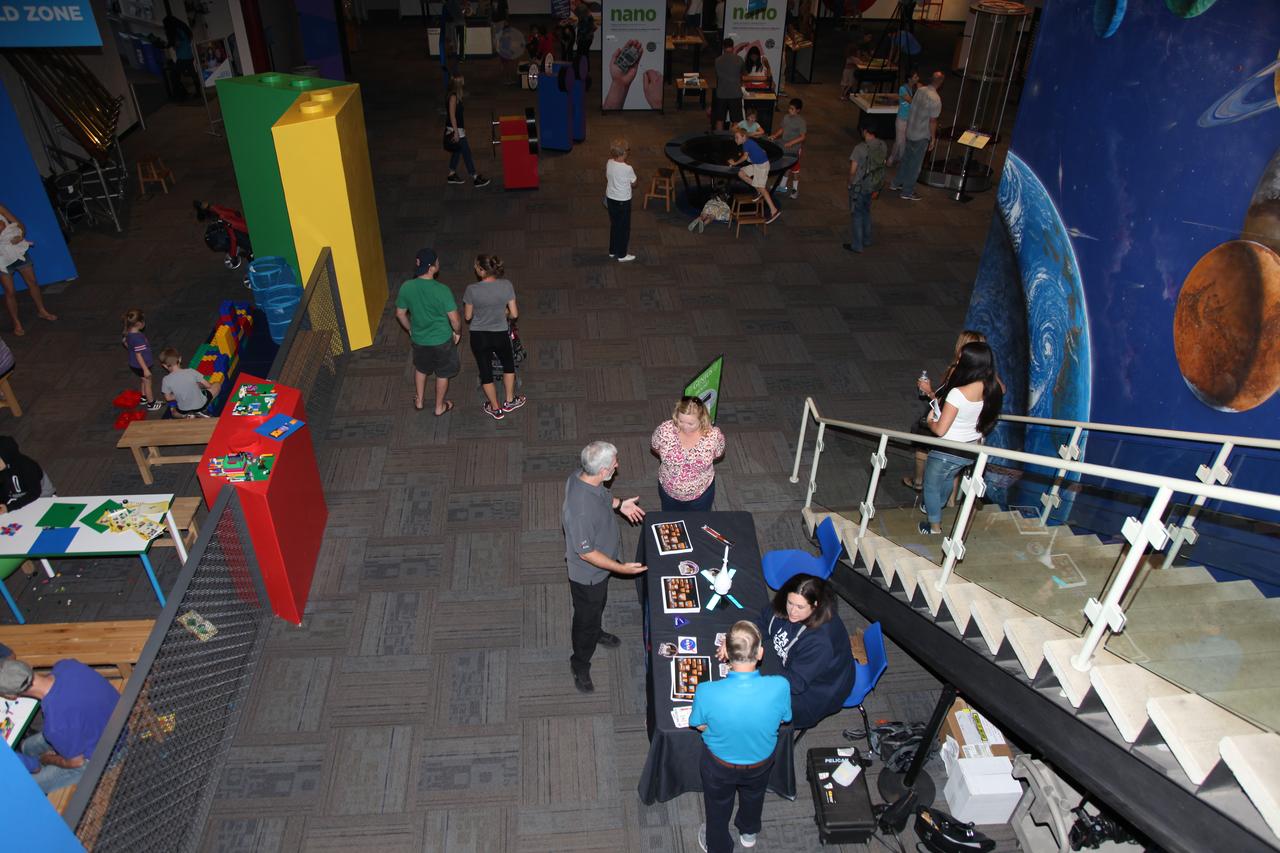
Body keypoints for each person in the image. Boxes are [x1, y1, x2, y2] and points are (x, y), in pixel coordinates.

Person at [691, 620, 791, 853]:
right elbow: (785, 719)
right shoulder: (780, 685)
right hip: (761, 762)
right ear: (761, 652)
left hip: (719, 764)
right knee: (754, 796)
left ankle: (718, 846)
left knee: (717, 805)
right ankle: (748, 831)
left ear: (726, 653)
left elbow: (697, 725)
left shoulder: (707, 691)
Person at [562, 441, 646, 693]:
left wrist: (620, 505)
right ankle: (580, 662)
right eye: (613, 464)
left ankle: (595, 630)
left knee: (597, 607)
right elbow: (586, 553)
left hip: (600, 570)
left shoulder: (582, 476)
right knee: (586, 616)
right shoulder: (581, 513)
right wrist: (620, 570)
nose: (617, 466)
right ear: (601, 471)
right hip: (588, 577)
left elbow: (602, 496)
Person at [919, 341, 1004, 534]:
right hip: (970, 449)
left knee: (931, 485)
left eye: (961, 358)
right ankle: (939, 504)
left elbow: (940, 430)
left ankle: (934, 526)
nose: (957, 360)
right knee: (948, 477)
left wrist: (930, 420)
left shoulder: (958, 394)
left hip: (946, 450)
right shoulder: (992, 388)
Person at [0, 658, 119, 794]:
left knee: (30, 786)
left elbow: (76, 762)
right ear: (29, 665)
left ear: (11, 696)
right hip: (111, 717)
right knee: (28, 746)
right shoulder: (67, 665)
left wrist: (47, 759)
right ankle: (33, 760)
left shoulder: (55, 725)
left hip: (106, 754)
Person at [754, 574, 854, 731]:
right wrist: (744, 640)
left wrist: (754, 676)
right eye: (790, 603)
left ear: (815, 605)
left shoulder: (821, 641)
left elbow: (796, 684)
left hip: (815, 693)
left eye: (800, 607)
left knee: (754, 708)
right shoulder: (786, 606)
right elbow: (764, 621)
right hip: (792, 667)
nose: (792, 611)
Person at [905, 329, 991, 492]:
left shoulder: (956, 372)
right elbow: (1002, 389)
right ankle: (950, 500)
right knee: (954, 469)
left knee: (923, 448)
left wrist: (929, 391)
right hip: (970, 433)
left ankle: (918, 482)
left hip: (948, 424)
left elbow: (945, 403)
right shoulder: (987, 377)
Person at [395, 248, 462, 416]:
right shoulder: (442, 290)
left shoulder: (406, 287)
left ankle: (419, 400)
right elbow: (455, 319)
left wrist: (410, 329)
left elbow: (400, 314)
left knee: (421, 368)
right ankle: (439, 407)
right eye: (437, 262)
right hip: (442, 340)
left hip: (419, 339)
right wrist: (458, 331)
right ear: (432, 267)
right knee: (443, 373)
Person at [463, 254, 526, 420]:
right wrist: (501, 311)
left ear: (482, 270)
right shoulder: (506, 285)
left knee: (486, 372)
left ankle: (495, 407)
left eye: (476, 267)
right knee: (508, 365)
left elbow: (468, 317)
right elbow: (514, 314)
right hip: (500, 333)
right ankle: (510, 401)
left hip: (479, 336)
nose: (474, 269)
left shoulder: (471, 290)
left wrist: (481, 311)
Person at [651, 396, 725, 511]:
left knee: (698, 523)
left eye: (691, 424)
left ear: (702, 419)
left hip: (701, 494)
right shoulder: (665, 430)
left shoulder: (713, 436)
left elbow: (719, 454)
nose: (685, 427)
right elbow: (655, 447)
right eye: (681, 421)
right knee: (671, 522)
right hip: (668, 492)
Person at [0, 203, 57, 337]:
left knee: (32, 282)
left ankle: (42, 311)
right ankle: (16, 322)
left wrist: (20, 236)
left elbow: (19, 224)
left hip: (17, 250)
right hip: (2, 259)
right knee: (10, 291)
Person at [890, 69, 943, 201]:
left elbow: (912, 106)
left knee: (906, 159)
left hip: (910, 130)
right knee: (915, 165)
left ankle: (896, 183)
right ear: (941, 82)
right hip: (921, 134)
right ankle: (907, 191)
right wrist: (933, 137)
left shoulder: (920, 90)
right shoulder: (936, 99)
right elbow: (933, 121)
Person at [844, 124, 887, 253]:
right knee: (866, 211)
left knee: (857, 214)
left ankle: (857, 246)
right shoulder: (882, 145)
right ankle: (867, 239)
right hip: (874, 184)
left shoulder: (860, 148)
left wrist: (850, 183)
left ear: (865, 131)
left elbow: (853, 170)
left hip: (859, 186)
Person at [446, 76, 491, 188]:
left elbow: (457, 115)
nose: (463, 82)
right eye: (461, 80)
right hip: (455, 129)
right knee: (466, 153)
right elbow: (452, 116)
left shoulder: (457, 96)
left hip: (457, 129)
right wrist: (457, 132)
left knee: (457, 151)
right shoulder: (453, 97)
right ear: (457, 83)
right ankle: (475, 177)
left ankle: (451, 174)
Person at [728, 128, 780, 223]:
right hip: (756, 165)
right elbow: (759, 152)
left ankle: (774, 210)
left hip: (762, 167)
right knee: (741, 173)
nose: (735, 140)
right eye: (735, 137)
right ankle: (758, 190)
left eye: (737, 137)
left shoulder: (747, 144)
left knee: (762, 187)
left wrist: (735, 163)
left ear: (744, 137)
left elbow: (745, 157)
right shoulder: (747, 142)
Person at [122, 308, 164, 412]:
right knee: (148, 382)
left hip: (134, 365)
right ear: (139, 323)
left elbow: (125, 342)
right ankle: (151, 403)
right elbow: (139, 355)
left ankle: (144, 397)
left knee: (143, 380)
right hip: (142, 365)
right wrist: (145, 369)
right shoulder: (138, 338)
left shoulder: (128, 333)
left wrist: (131, 349)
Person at [158, 347, 215, 418]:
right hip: (201, 405)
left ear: (164, 366)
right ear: (180, 359)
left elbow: (168, 398)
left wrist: (180, 394)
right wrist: (198, 386)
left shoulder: (166, 380)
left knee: (173, 412)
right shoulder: (191, 371)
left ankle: (188, 416)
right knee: (216, 385)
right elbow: (208, 385)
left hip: (183, 409)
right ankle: (200, 412)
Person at [0, 435, 53, 513]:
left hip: (42, 497)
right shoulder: (2, 467)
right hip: (17, 499)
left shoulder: (27, 466)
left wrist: (9, 507)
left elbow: (34, 493)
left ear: (6, 455)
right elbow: (3, 489)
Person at [605, 139, 637, 262]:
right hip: (623, 201)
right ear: (624, 153)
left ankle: (612, 251)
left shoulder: (609, 162)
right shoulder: (627, 168)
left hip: (610, 199)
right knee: (624, 228)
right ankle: (622, 255)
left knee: (614, 225)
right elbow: (634, 183)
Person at [771, 98, 806, 197]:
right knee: (785, 166)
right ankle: (782, 186)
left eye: (792, 109)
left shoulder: (801, 122)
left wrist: (791, 142)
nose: (789, 110)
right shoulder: (786, 117)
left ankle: (795, 189)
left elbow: (803, 137)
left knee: (795, 169)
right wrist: (775, 135)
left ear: (798, 110)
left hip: (794, 148)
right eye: (789, 108)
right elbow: (782, 129)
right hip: (784, 145)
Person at [712, 38, 744, 130]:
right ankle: (735, 141)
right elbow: (743, 74)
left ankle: (718, 141)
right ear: (733, 47)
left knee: (719, 119)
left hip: (721, 94)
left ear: (723, 47)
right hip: (735, 93)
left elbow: (718, 76)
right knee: (736, 120)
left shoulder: (717, 60)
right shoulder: (739, 59)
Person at [889, 70, 919, 166]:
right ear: (909, 79)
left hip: (909, 119)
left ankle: (896, 159)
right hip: (902, 118)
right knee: (899, 141)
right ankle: (896, 159)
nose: (917, 78)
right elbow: (911, 101)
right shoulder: (903, 88)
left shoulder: (914, 88)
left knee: (903, 141)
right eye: (915, 77)